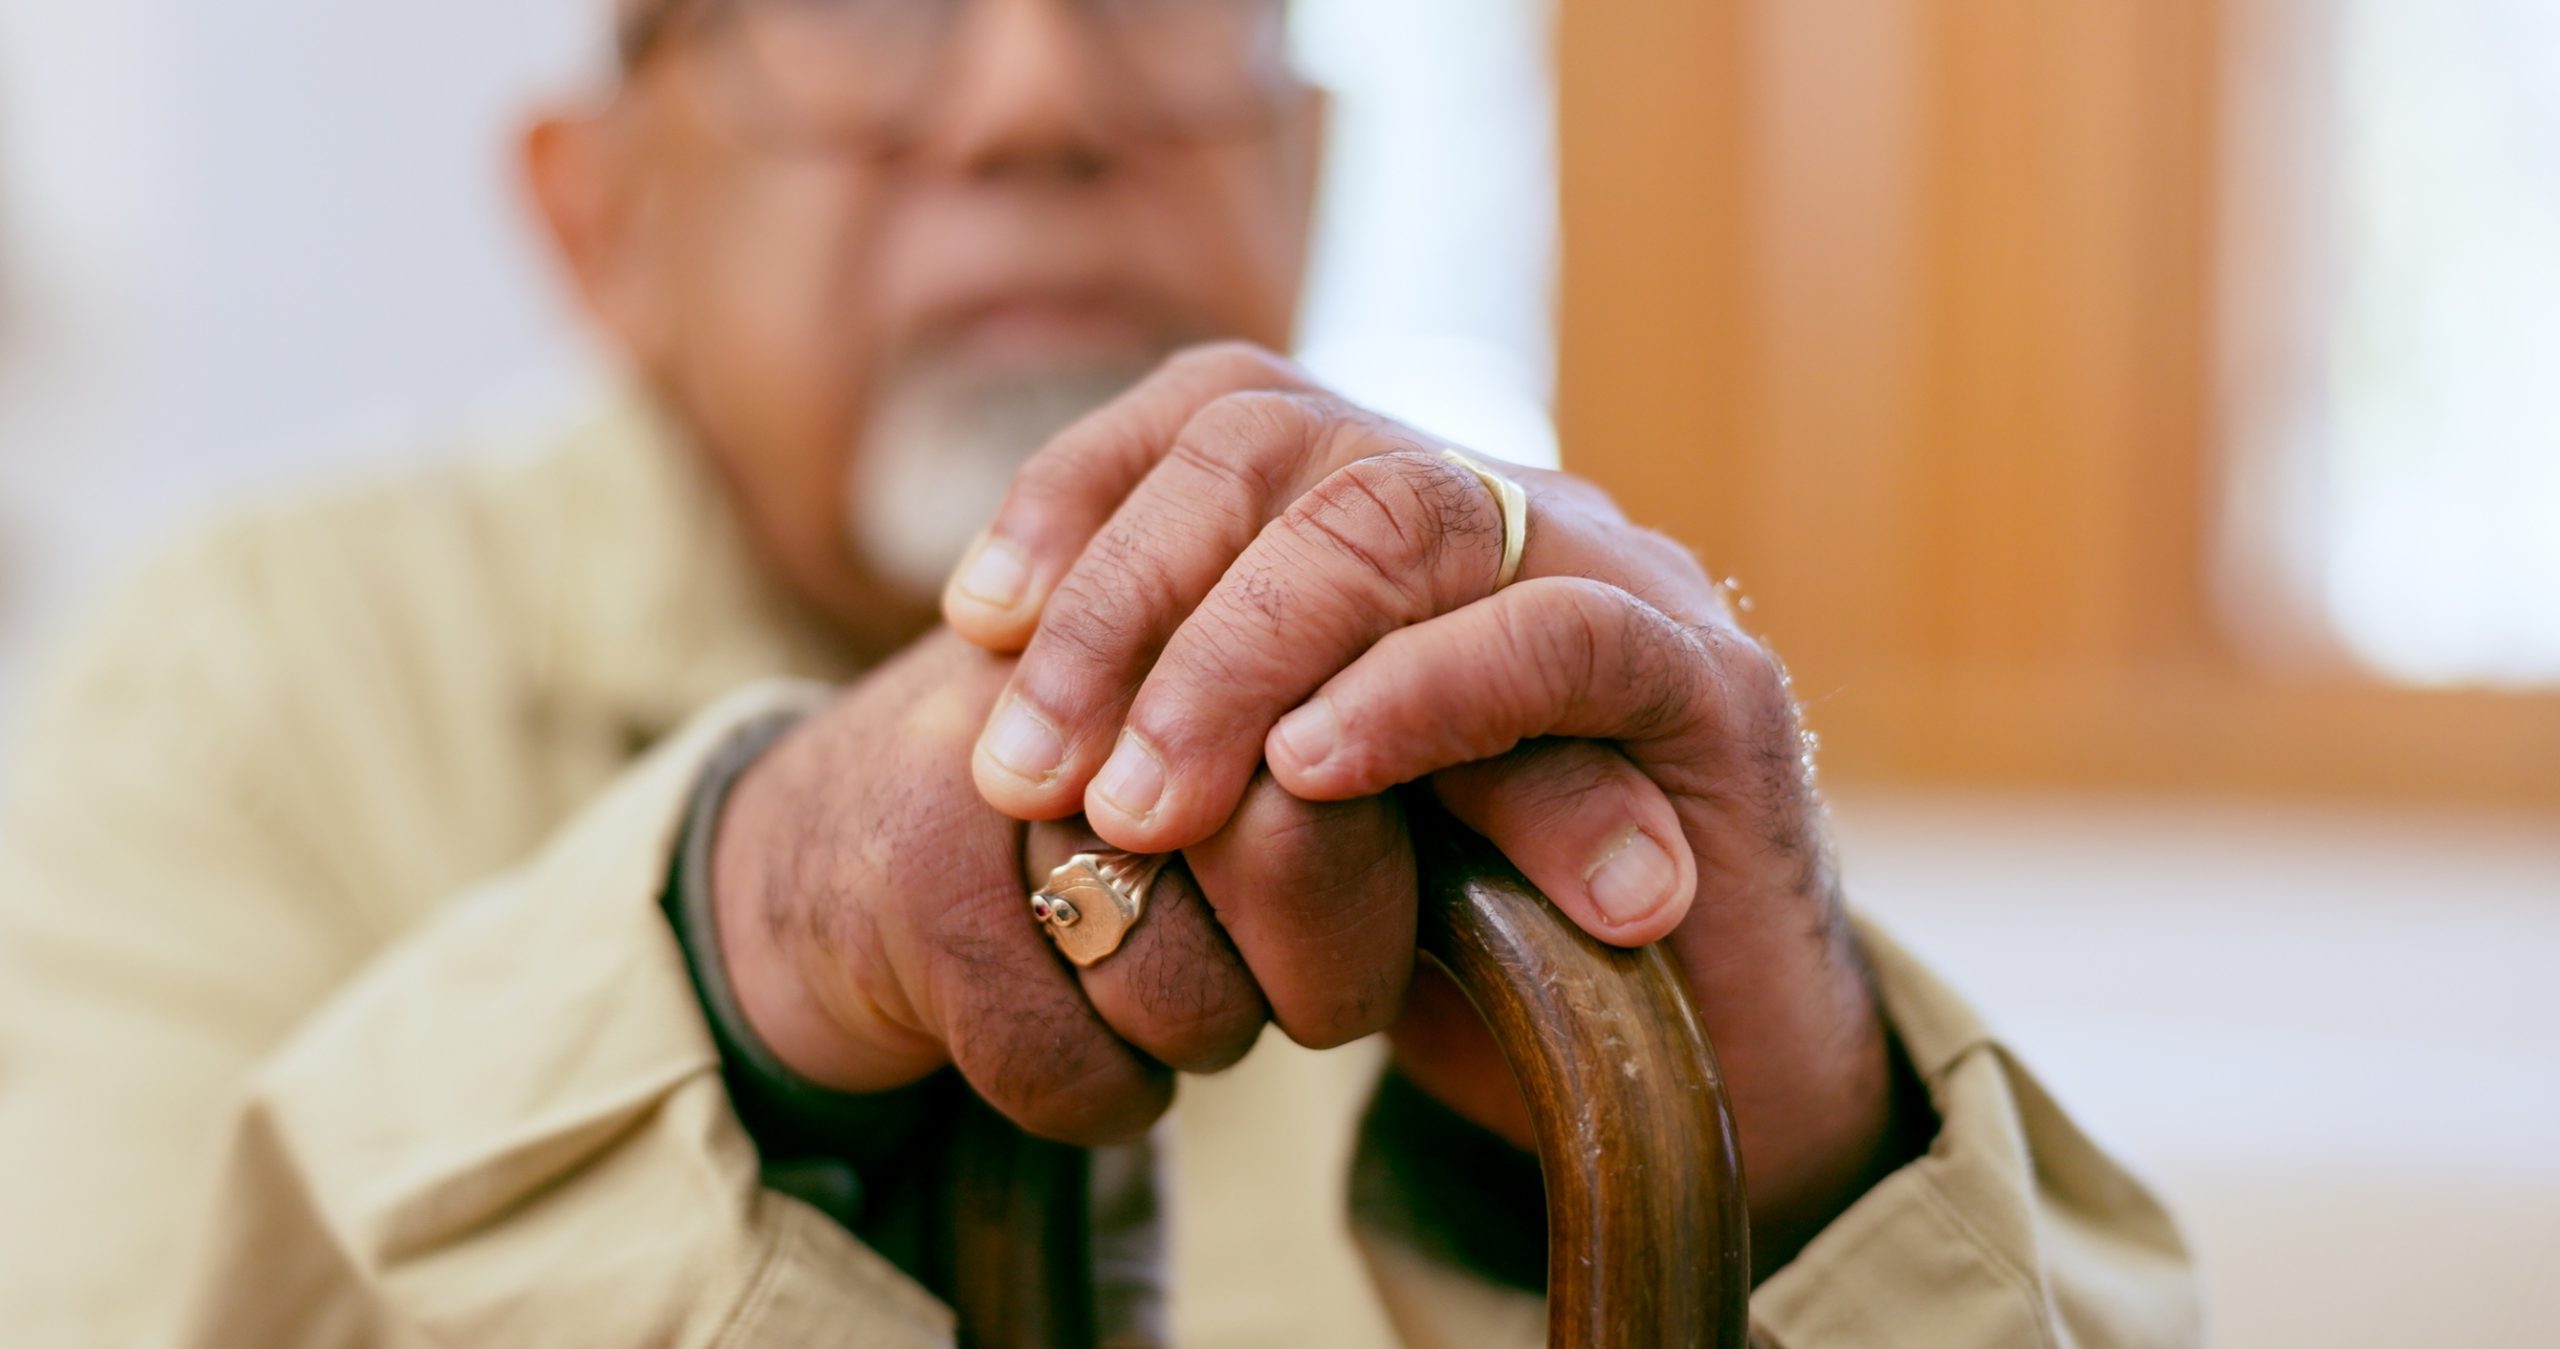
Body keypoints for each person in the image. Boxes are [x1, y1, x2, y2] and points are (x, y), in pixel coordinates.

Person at [0, 0, 2197, 1344]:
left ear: (1304, 166)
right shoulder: (247, 673)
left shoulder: (1539, 704)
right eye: (861, 0)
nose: (1038, 95)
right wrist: (739, 926)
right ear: (606, 224)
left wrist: (1793, 1161)